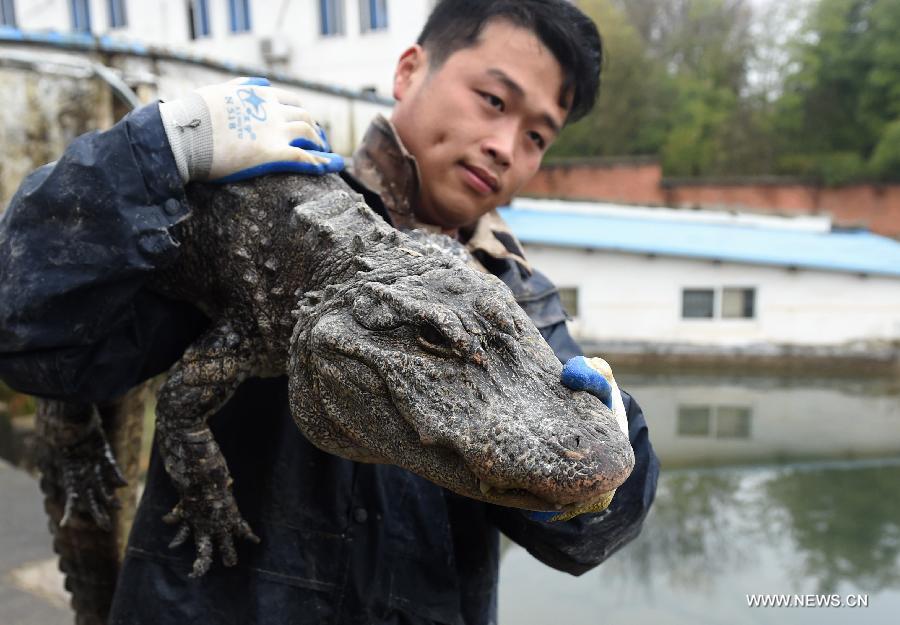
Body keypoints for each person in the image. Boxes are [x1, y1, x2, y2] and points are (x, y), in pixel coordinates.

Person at [0, 0, 659, 623]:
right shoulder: (254, 204)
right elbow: (29, 327)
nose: (505, 145)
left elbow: (582, 537)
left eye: (539, 135)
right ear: (410, 70)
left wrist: (608, 468)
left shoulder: (518, 291)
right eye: (493, 100)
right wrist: (156, 151)